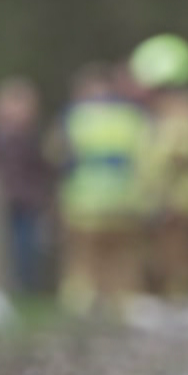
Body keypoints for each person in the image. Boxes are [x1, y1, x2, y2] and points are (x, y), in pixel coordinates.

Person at [52, 64, 152, 315]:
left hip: (85, 203)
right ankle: (124, 304)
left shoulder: (73, 117)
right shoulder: (132, 117)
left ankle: (81, 305)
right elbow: (149, 158)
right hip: (124, 202)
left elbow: (56, 155)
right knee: (123, 260)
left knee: (83, 261)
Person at [130, 34, 188, 299]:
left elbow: (181, 154)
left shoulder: (185, 110)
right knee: (157, 260)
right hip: (161, 201)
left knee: (178, 261)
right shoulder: (158, 113)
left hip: (178, 202)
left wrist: (163, 197)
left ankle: (181, 303)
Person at [0, 78, 53, 293]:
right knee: (4, 246)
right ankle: (9, 285)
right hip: (3, 200)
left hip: (27, 201)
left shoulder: (32, 138)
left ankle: (25, 287)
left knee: (25, 247)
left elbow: (44, 168)